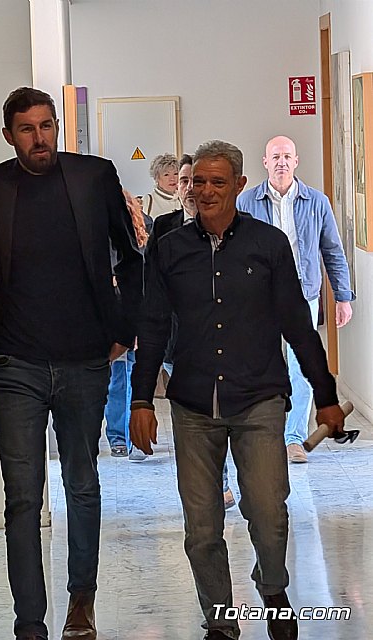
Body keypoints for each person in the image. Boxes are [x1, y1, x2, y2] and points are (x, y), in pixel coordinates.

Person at [0, 87, 143, 640]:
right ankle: (29, 621)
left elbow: (130, 258)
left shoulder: (94, 176)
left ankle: (81, 603)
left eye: (47, 125)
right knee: (23, 498)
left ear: (58, 127)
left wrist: (123, 331)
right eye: (27, 129)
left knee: (82, 484)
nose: (40, 138)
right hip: (15, 364)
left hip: (85, 359)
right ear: (9, 136)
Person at [129, 140, 345, 640]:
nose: (205, 191)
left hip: (258, 399)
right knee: (202, 526)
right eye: (198, 182)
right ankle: (220, 620)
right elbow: (153, 326)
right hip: (193, 404)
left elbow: (297, 325)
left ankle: (272, 588)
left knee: (268, 514)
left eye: (218, 182)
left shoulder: (269, 245)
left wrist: (326, 396)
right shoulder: (169, 249)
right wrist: (140, 400)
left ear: (240, 186)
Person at [237, 135, 354, 463]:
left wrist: (342, 297)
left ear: (296, 161)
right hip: (257, 299)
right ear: (265, 162)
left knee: (302, 369)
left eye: (287, 156)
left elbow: (332, 251)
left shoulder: (316, 202)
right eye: (275, 157)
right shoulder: (246, 202)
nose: (281, 162)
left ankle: (293, 438)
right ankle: (264, 434)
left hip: (303, 295)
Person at [145, 154, 235, 509]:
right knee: (193, 415)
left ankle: (220, 481)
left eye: (193, 181)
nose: (188, 189)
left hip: (220, 343)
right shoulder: (163, 228)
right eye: (183, 182)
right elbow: (150, 286)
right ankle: (202, 484)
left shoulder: (230, 227)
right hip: (175, 344)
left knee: (218, 412)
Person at [105, 190, 152, 462]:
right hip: (114, 313)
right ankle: (118, 437)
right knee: (117, 381)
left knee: (137, 377)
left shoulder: (147, 226)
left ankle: (137, 439)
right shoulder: (100, 229)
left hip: (140, 310)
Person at [141, 153, 181, 219]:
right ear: (157, 178)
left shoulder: (182, 199)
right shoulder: (148, 201)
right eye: (166, 175)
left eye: (175, 174)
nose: (172, 178)